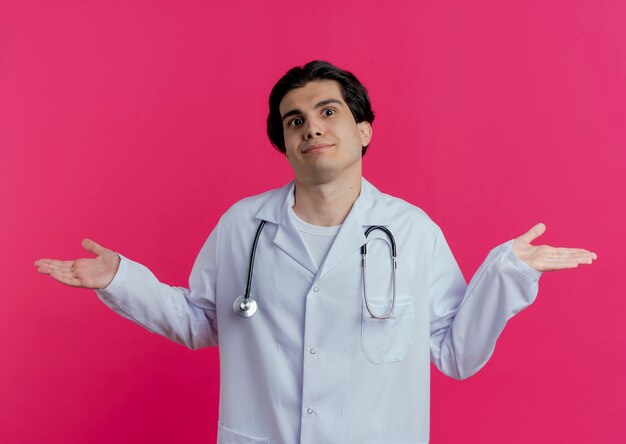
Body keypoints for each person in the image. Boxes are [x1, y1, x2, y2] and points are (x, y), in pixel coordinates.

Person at [35, 61, 597, 444]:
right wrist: (121, 279)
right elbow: (201, 321)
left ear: (364, 130)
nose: (312, 129)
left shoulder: (410, 231)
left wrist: (506, 272)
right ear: (284, 142)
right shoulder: (243, 226)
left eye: (329, 112)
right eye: (295, 120)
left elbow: (455, 353)